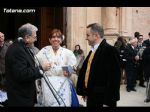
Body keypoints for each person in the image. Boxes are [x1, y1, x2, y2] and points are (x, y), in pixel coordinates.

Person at [76, 23, 121, 107]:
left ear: (96, 36)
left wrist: (107, 102)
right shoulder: (92, 51)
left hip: (103, 100)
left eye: (88, 35)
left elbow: (114, 80)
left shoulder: (110, 51)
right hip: (92, 97)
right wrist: (85, 91)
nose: (86, 38)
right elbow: (88, 73)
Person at [5, 23, 50, 107]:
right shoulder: (17, 50)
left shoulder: (22, 47)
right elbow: (22, 74)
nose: (36, 39)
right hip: (20, 98)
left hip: (25, 95)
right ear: (27, 37)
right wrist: (41, 68)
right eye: (34, 37)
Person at [35, 29, 79, 107]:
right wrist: (42, 67)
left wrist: (69, 71)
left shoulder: (68, 52)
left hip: (63, 84)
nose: (56, 39)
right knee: (48, 104)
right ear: (49, 39)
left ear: (61, 40)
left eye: (58, 37)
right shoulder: (43, 51)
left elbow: (73, 66)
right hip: (48, 84)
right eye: (53, 37)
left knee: (63, 104)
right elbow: (35, 64)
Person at [0, 32, 12, 106]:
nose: (1, 38)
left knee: (6, 94)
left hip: (6, 74)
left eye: (2, 36)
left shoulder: (8, 47)